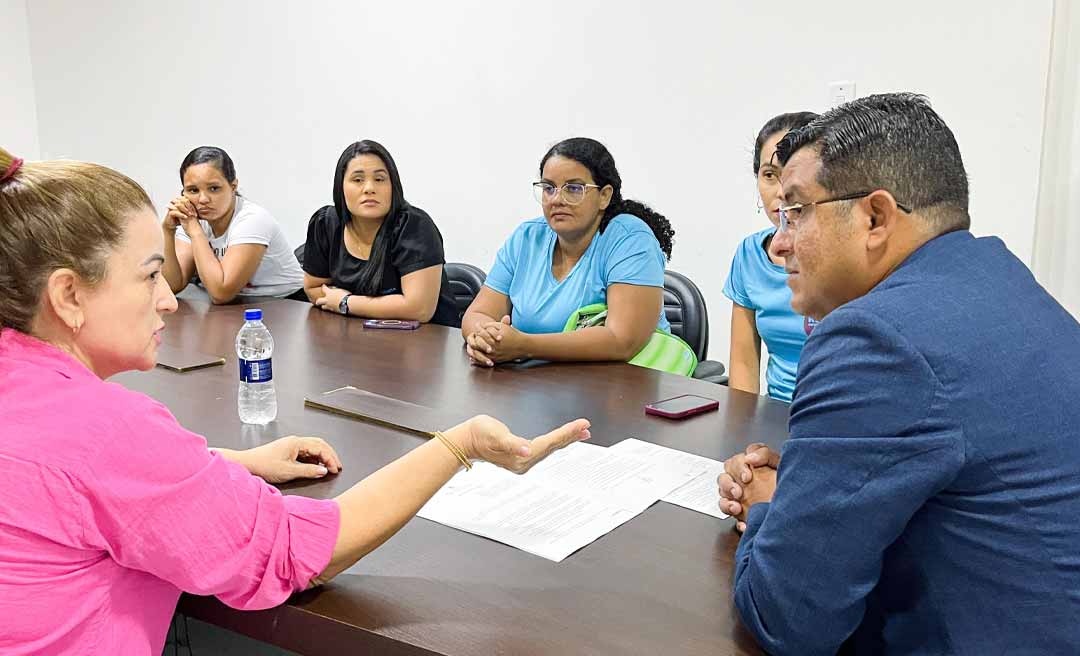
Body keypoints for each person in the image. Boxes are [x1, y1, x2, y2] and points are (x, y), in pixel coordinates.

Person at [0, 148, 591, 655]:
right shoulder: (107, 434)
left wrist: (229, 462)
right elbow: (302, 552)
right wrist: (459, 443)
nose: (169, 300)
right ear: (69, 295)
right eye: (150, 275)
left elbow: (71, 487)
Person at [715, 94, 1080, 655]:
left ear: (876, 217)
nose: (780, 240)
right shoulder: (996, 274)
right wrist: (819, 479)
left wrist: (770, 505)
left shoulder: (874, 338)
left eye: (797, 210)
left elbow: (788, 618)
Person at [461, 137, 674, 366]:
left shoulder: (631, 240)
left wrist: (524, 346)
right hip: (539, 385)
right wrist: (486, 339)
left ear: (604, 195)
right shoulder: (527, 238)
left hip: (624, 386)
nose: (557, 199)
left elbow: (621, 340)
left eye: (573, 188)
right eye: (548, 188)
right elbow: (476, 315)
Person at [302, 140, 459, 327]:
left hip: (425, 342)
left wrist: (346, 302)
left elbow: (419, 309)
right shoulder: (326, 223)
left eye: (379, 179)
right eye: (357, 180)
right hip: (355, 337)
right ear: (340, 186)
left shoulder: (414, 227)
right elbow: (313, 288)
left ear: (393, 185)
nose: (369, 188)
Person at [724, 112, 819, 402]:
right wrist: (741, 427)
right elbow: (743, 362)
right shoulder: (749, 254)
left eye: (793, 175)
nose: (781, 191)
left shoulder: (842, 254)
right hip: (774, 414)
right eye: (769, 175)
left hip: (835, 418)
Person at [162, 146, 305, 303]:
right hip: (239, 307)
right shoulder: (192, 219)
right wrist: (168, 231)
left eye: (214, 188)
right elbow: (171, 285)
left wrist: (195, 232)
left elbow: (221, 293)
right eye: (193, 190)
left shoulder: (252, 219)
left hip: (288, 305)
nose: (203, 199)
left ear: (233, 186)